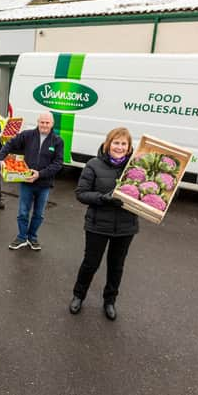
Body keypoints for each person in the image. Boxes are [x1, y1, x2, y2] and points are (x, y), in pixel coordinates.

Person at [69, 127, 139, 321]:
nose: (120, 147)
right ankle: (78, 295)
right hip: (98, 224)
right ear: (108, 144)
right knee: (91, 263)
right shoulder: (93, 164)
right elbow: (81, 193)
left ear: (129, 146)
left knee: (116, 266)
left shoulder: (136, 168)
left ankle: (109, 301)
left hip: (126, 226)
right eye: (116, 142)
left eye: (124, 143)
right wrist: (104, 198)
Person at [0, 112, 63, 251]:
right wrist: (0, 158)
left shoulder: (57, 141)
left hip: (44, 184)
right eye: (42, 122)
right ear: (38, 122)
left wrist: (40, 174)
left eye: (47, 122)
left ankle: (32, 237)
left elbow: (58, 163)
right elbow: (10, 143)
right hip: (26, 181)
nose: (44, 125)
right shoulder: (27, 135)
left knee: (39, 214)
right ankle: (22, 237)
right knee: (23, 211)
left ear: (52, 124)